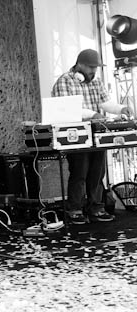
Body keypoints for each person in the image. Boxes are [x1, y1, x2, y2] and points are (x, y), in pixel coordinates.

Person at [51, 49, 130, 224]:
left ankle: (96, 208)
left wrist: (121, 109)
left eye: (96, 67)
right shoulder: (65, 81)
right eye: (90, 67)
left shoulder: (96, 81)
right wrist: (93, 114)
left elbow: (105, 103)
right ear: (79, 64)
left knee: (97, 173)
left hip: (96, 134)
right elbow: (68, 109)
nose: (94, 71)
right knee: (79, 173)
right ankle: (75, 209)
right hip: (75, 135)